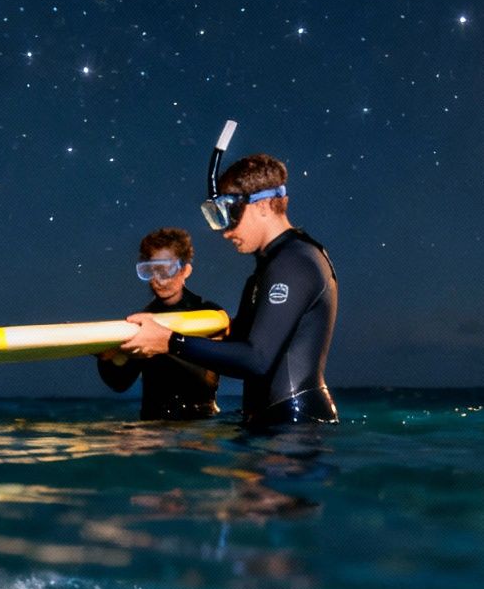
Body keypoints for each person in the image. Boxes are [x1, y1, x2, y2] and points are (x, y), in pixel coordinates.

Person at [120, 153, 338, 426]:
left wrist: (170, 341)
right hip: (272, 423)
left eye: (232, 212)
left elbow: (256, 359)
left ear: (264, 205)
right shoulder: (268, 268)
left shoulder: (294, 263)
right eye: (219, 216)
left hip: (295, 425)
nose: (225, 230)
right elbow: (238, 347)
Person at [97, 227, 223, 419]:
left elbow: (208, 378)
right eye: (150, 271)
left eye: (166, 270)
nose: (159, 280)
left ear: (185, 270)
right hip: (154, 424)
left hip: (199, 424)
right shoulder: (142, 319)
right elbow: (119, 383)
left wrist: (163, 344)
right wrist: (107, 358)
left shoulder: (209, 315)